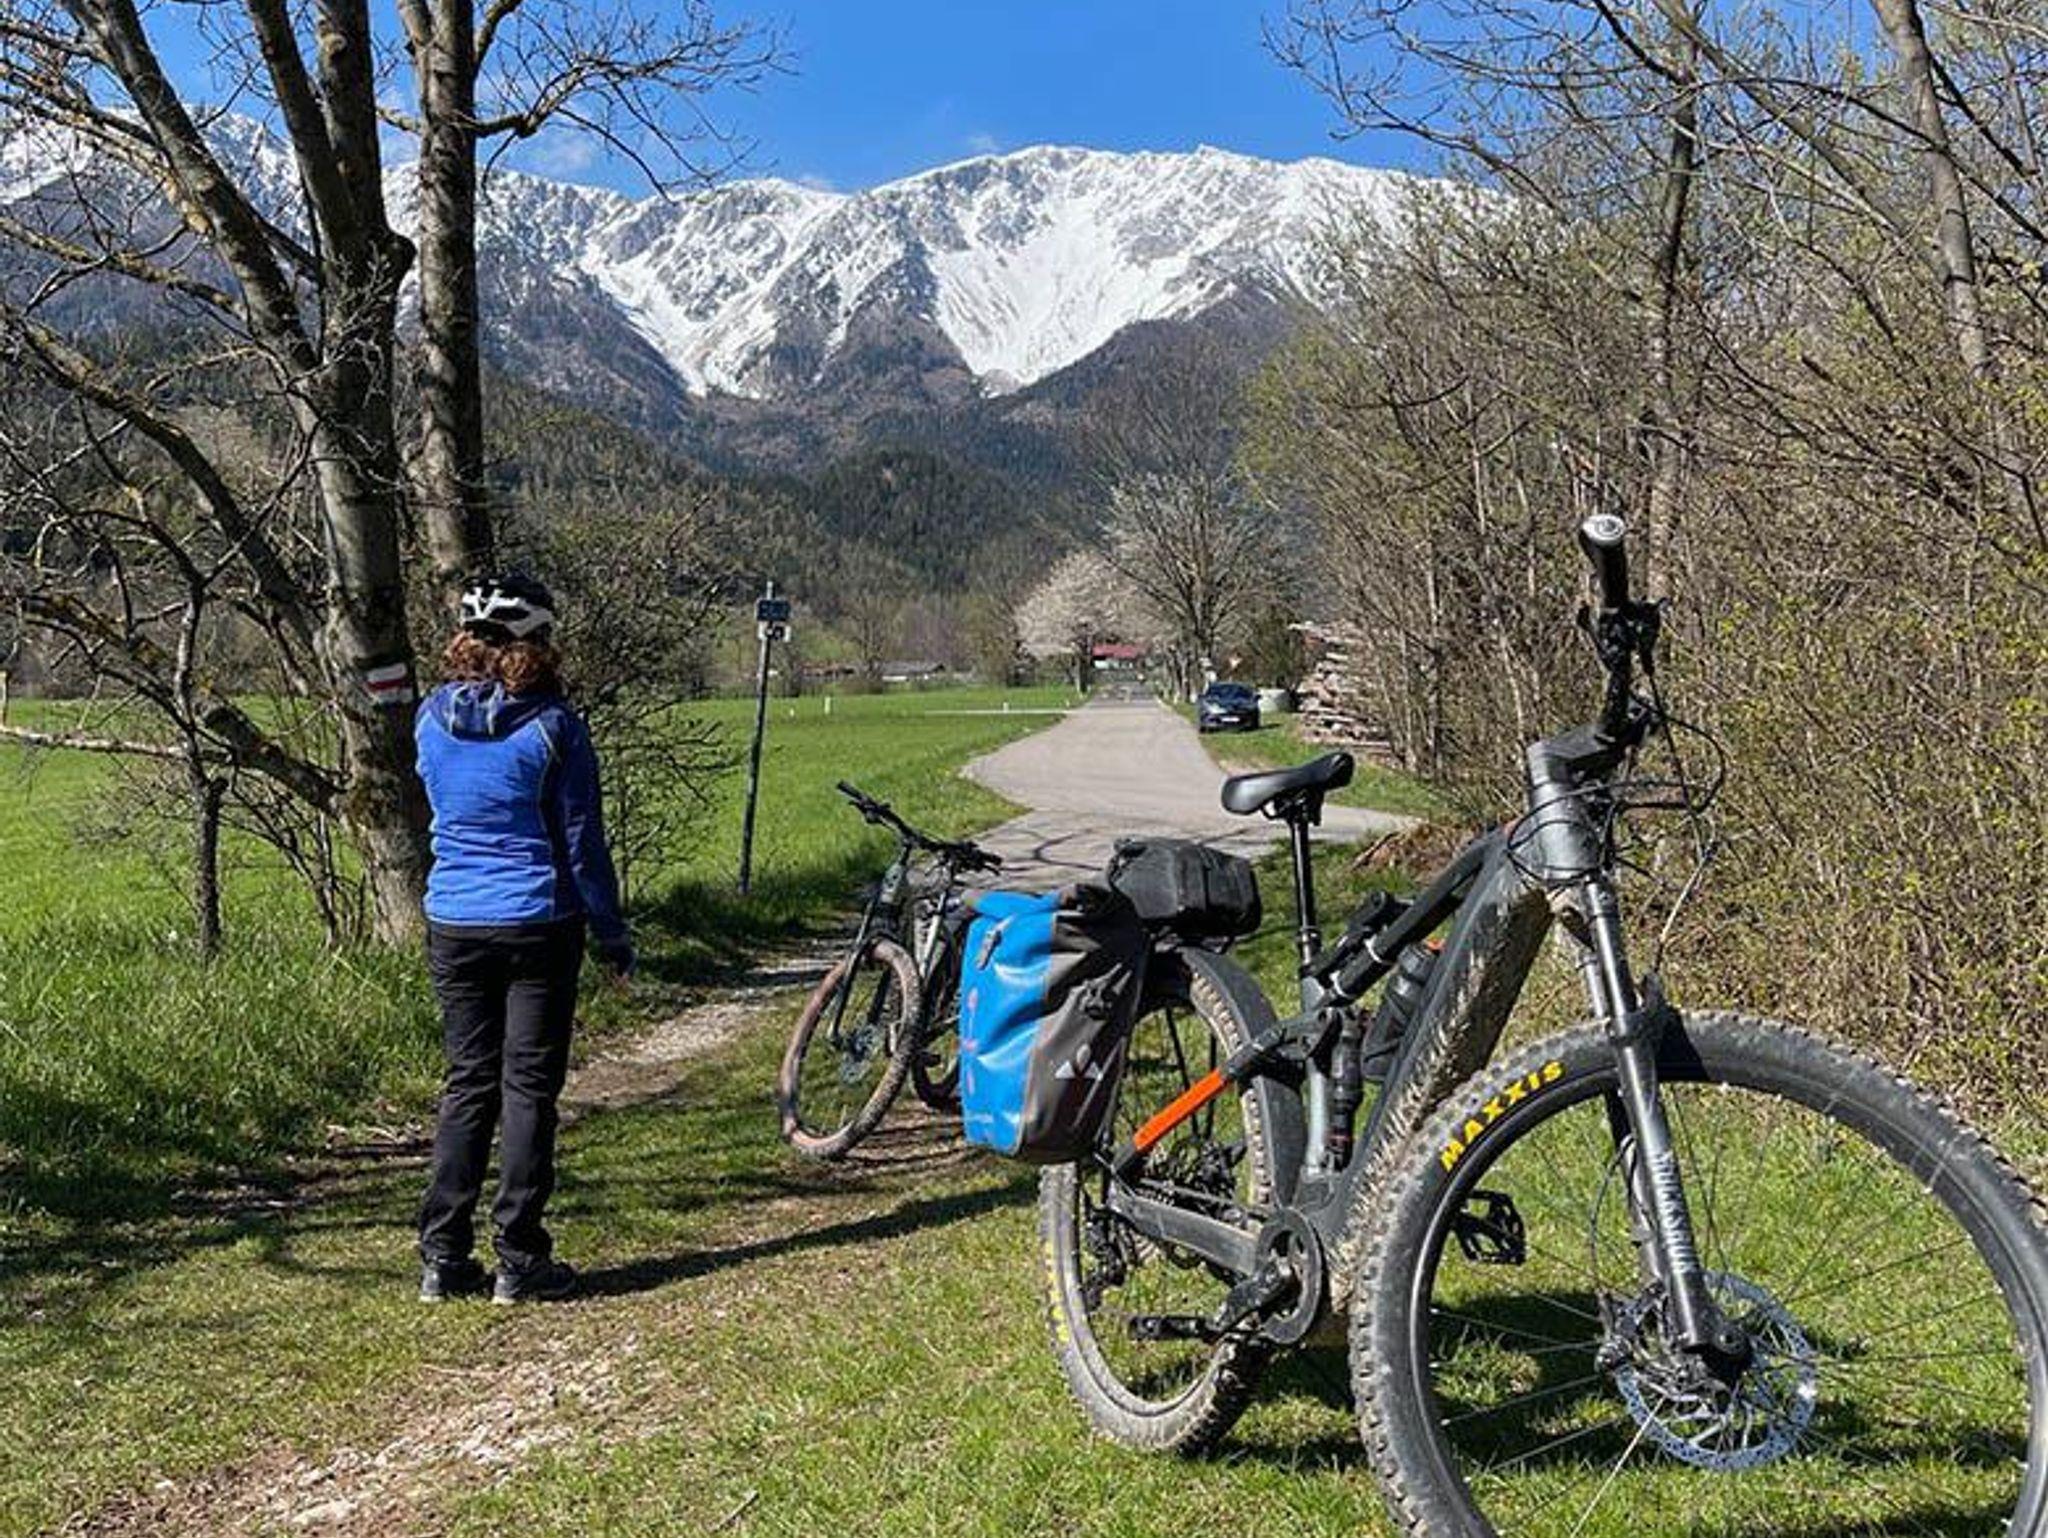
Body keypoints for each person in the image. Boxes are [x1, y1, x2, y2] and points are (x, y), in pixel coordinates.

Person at [413, 574, 633, 1305]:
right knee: (528, 1089)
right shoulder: (555, 728)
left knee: (467, 1083)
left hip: (454, 920)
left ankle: (443, 1256)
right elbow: (583, 845)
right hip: (537, 919)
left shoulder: (429, 717)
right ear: (537, 641)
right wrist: (611, 936)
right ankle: (519, 1256)